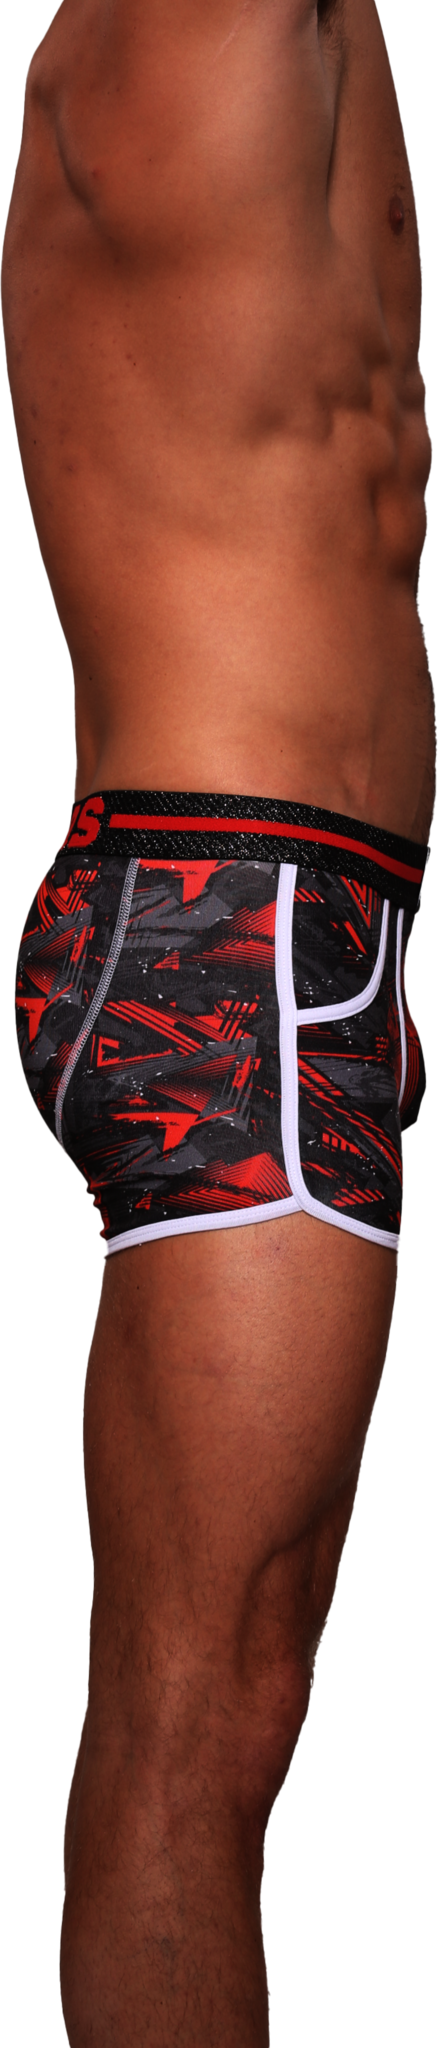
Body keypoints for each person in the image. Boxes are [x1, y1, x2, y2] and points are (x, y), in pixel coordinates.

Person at [2, 0, 436, 2040]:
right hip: (225, 932)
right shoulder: (179, 30)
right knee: (208, 1712)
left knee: (243, 1692)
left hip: (296, 926)